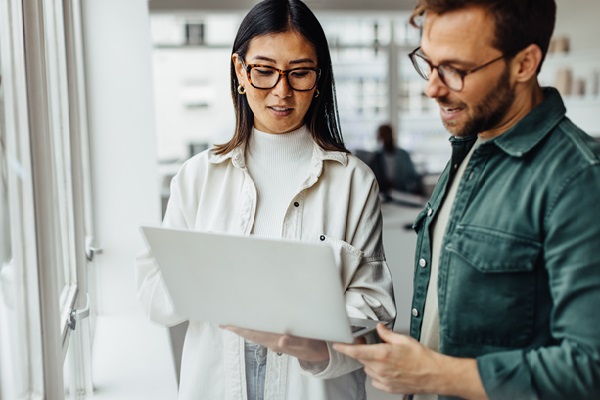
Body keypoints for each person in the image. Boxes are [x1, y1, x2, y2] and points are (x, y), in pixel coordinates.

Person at [334, 1, 600, 399]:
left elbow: (589, 368)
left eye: (456, 70)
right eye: (428, 62)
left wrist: (435, 375)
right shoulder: (470, 148)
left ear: (524, 64)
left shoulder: (579, 178)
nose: (432, 87)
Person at [134, 1, 396, 399]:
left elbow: (374, 315)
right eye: (264, 71)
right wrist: (207, 273)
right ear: (240, 71)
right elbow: (154, 300)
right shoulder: (196, 177)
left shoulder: (354, 182)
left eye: (300, 73)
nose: (282, 91)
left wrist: (312, 345)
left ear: (319, 77)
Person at [373, 123, 424, 197]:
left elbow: (413, 176)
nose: (386, 139)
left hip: (402, 194)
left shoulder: (403, 155)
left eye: (387, 135)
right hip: (383, 195)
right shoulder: (377, 156)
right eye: (383, 136)